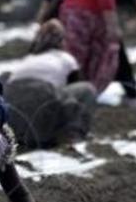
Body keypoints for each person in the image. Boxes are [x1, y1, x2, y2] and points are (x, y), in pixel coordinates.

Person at [6, 19, 97, 147]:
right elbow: (74, 90)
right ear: (61, 41)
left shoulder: (28, 59)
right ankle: (72, 136)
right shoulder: (65, 58)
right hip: (41, 102)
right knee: (88, 90)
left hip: (12, 118)